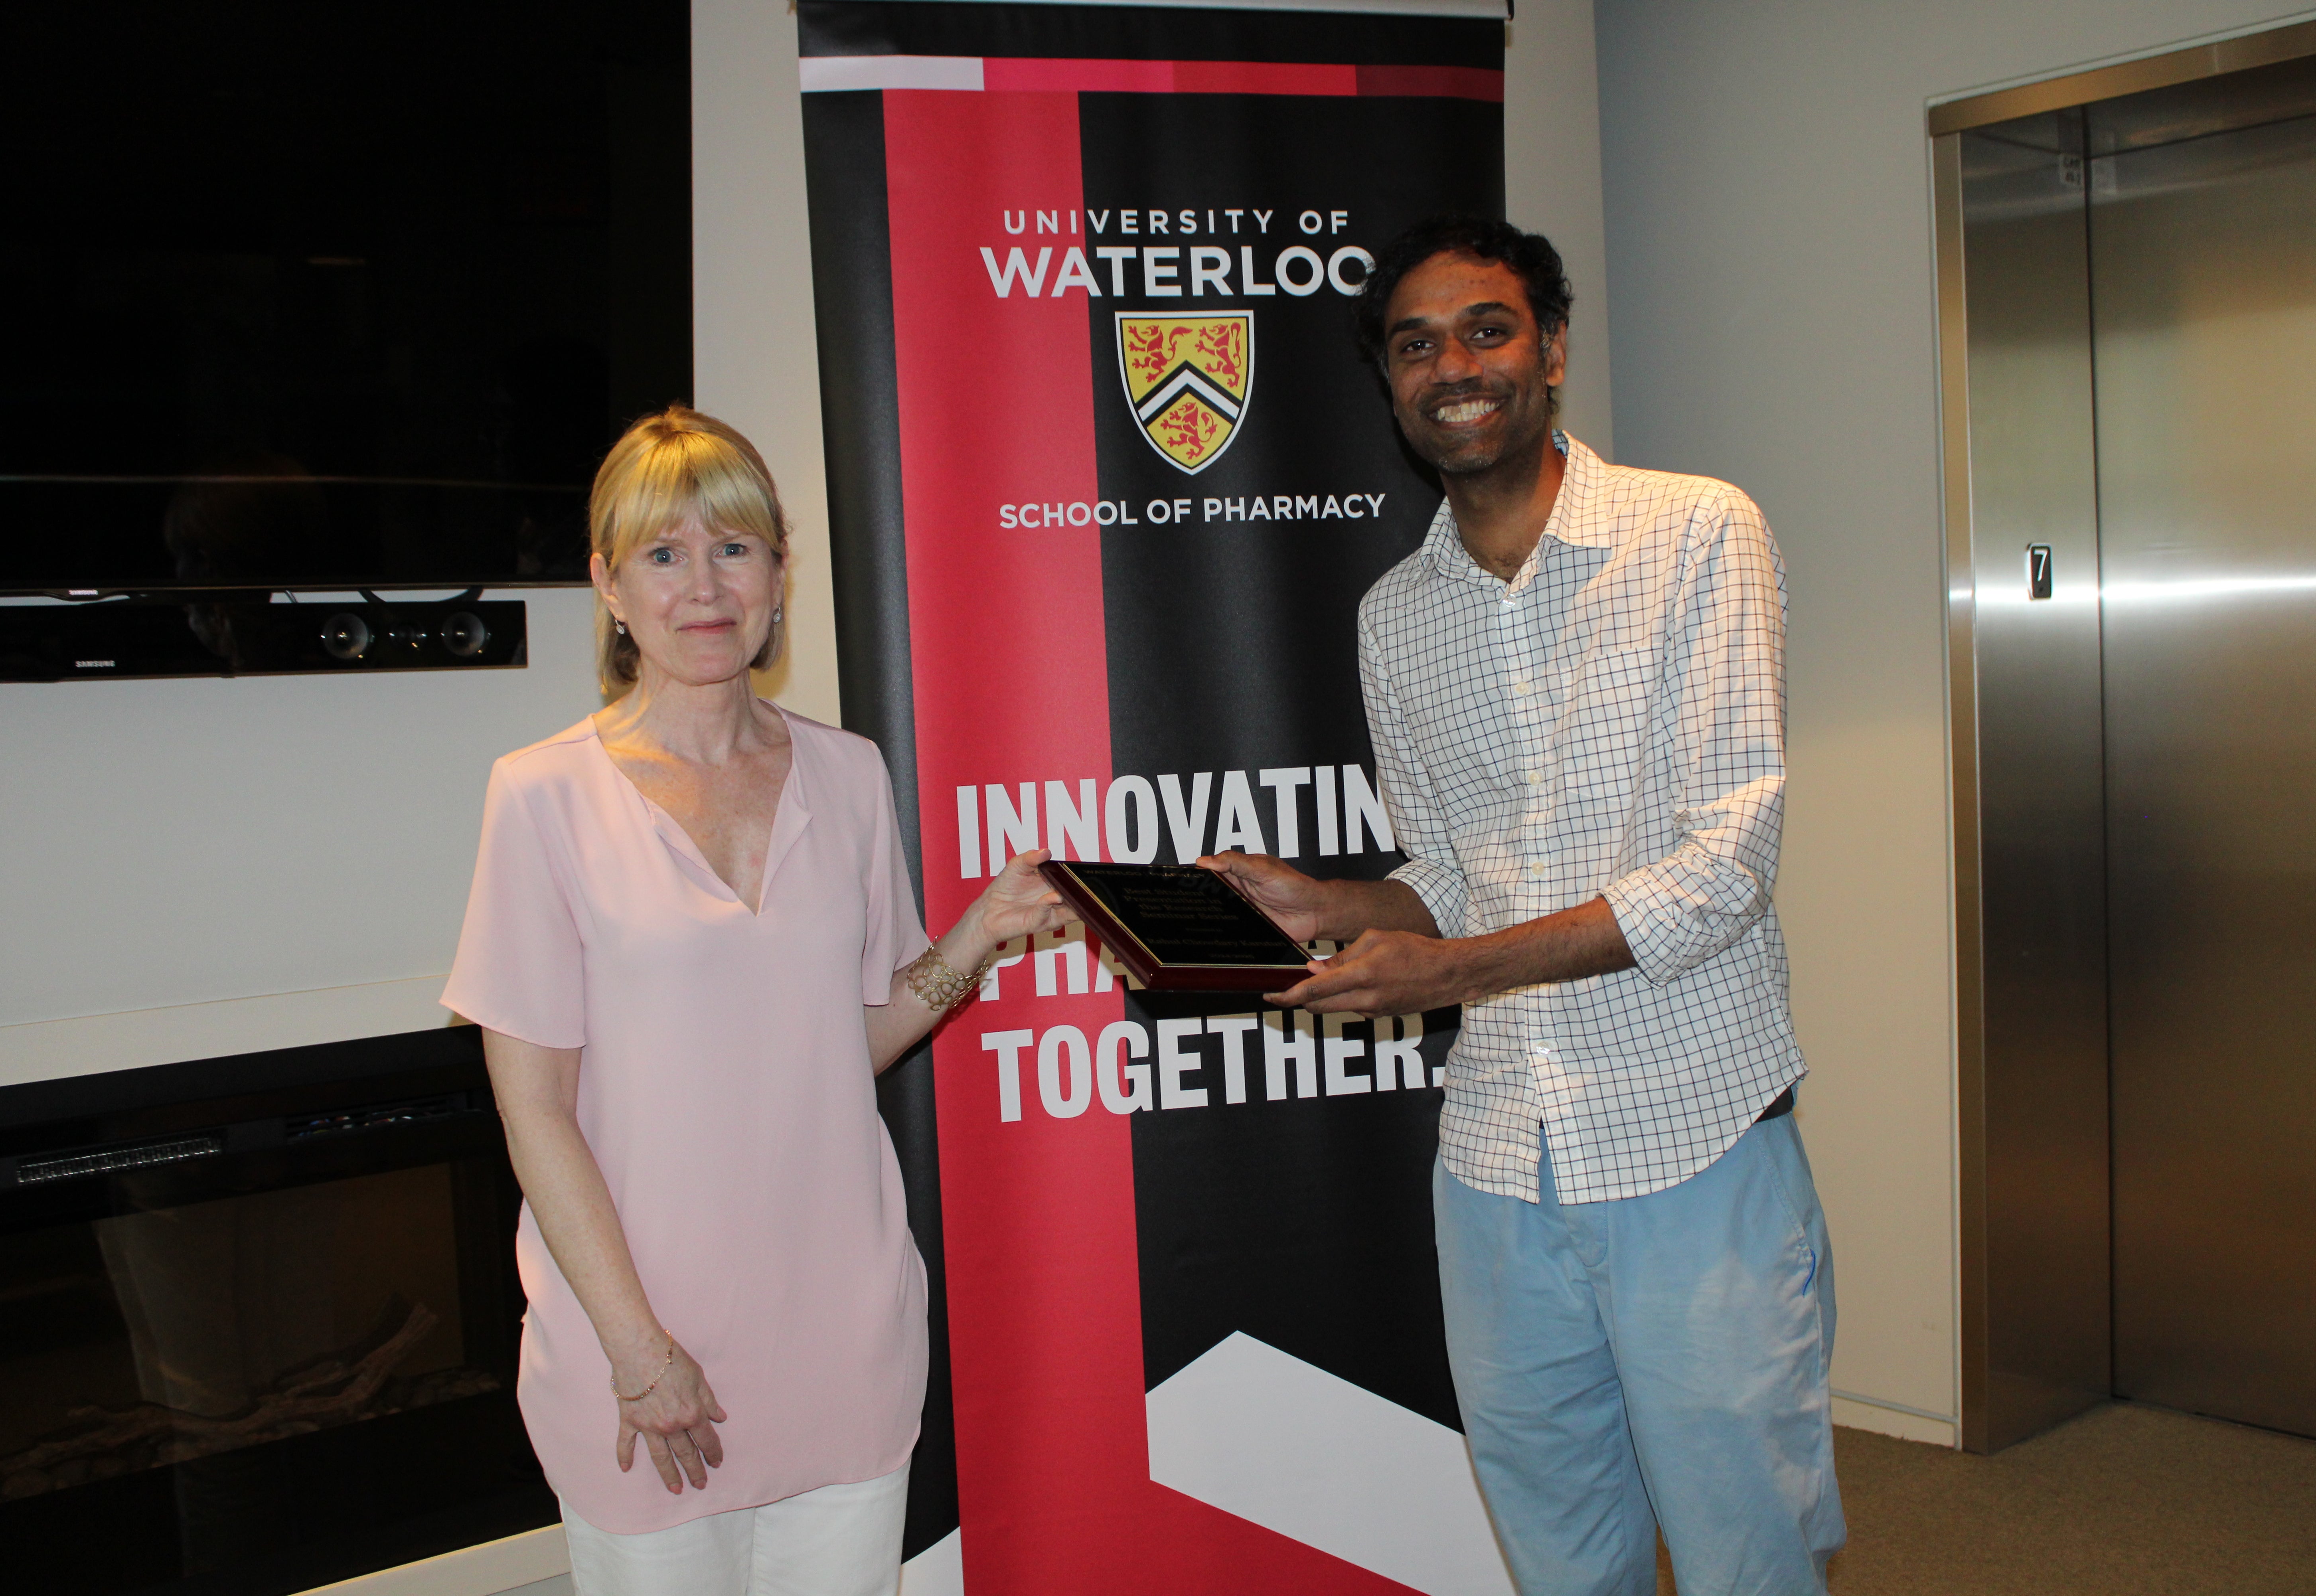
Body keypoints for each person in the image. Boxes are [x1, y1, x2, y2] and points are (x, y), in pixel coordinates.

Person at [1206, 219, 1846, 1594]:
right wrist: (1326, 903)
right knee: (1563, 1556)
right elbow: (1445, 872)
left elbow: (1724, 866)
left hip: (1694, 1144)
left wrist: (1447, 978)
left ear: (1550, 349)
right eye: (1415, 344)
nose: (1455, 365)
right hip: (1497, 1167)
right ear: (1388, 383)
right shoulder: (1395, 614)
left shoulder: (1697, 534)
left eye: (1487, 329)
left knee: (1750, 1554)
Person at [441, 407, 1069, 1596]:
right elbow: (537, 1117)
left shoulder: (849, 772)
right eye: (662, 556)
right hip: (644, 1370)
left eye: (733, 548)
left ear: (781, 571)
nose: (704, 587)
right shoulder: (540, 799)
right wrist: (639, 1354)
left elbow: (853, 1038)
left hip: (843, 1347)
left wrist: (980, 934)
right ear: (608, 588)